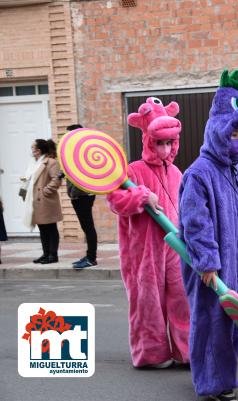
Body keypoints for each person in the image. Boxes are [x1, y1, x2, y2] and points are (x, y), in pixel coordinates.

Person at [179, 70, 238, 401]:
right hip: (211, 267)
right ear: (217, 129)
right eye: (232, 133)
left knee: (235, 323)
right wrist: (207, 262)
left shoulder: (237, 171)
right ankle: (212, 383)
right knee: (211, 324)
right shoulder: (199, 173)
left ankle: (223, 375)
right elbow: (195, 221)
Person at [106, 97, 190, 369]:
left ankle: (186, 350)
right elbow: (116, 201)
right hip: (144, 251)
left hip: (175, 246)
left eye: (169, 142)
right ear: (148, 140)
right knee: (147, 303)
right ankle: (151, 353)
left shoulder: (177, 172)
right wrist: (141, 196)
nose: (165, 148)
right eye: (160, 142)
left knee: (182, 300)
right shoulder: (132, 171)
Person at [64, 124, 99, 269]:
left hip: (83, 195)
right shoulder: (73, 152)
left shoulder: (83, 152)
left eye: (69, 135)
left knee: (88, 227)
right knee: (86, 227)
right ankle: (89, 255)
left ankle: (91, 258)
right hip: (78, 196)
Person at [24, 139, 62, 264]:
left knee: (50, 227)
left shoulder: (51, 162)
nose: (32, 151)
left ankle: (53, 255)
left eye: (33, 148)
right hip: (35, 200)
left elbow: (56, 180)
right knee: (42, 228)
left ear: (39, 150)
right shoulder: (34, 163)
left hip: (46, 200)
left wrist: (45, 191)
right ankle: (46, 254)